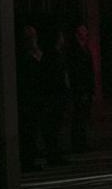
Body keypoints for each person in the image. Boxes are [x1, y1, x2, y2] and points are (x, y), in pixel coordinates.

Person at [16, 26, 45, 172]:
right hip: (29, 99)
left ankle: (30, 158)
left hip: (33, 97)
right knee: (28, 131)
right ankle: (28, 160)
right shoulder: (26, 57)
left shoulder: (31, 55)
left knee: (32, 130)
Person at [41, 30, 71, 167]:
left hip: (57, 94)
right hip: (55, 95)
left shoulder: (55, 55)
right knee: (53, 127)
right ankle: (53, 155)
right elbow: (56, 76)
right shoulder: (53, 56)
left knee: (55, 127)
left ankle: (55, 154)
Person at [65, 24, 96, 152]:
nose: (86, 33)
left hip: (86, 87)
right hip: (80, 88)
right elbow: (77, 72)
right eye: (83, 31)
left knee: (83, 116)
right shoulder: (75, 50)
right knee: (79, 116)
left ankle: (81, 141)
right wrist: (81, 88)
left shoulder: (85, 49)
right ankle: (78, 143)